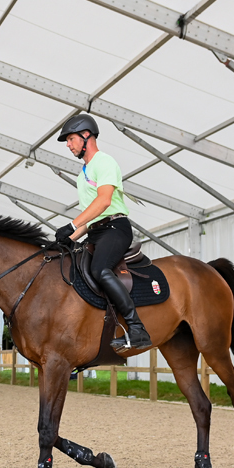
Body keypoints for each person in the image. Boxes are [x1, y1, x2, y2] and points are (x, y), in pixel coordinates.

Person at [55, 115, 151, 351]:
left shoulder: (104, 162)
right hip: (97, 231)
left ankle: (137, 329)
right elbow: (91, 218)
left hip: (115, 228)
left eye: (71, 139)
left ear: (86, 136)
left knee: (100, 269)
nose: (68, 145)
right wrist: (70, 238)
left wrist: (71, 223)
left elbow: (104, 201)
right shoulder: (82, 174)